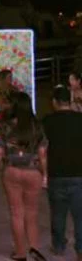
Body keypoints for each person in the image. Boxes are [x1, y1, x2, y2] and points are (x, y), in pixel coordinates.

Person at [0, 92, 48, 261]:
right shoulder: (37, 126)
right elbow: (42, 153)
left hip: (12, 170)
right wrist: (45, 174)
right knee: (32, 213)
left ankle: (20, 253)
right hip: (33, 171)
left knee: (16, 213)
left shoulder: (5, 126)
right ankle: (34, 249)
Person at [42, 85, 82, 258]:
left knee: (58, 213)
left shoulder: (47, 121)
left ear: (55, 102)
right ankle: (81, 248)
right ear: (70, 100)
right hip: (79, 172)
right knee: (80, 215)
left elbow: (43, 147)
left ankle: (58, 245)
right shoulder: (80, 119)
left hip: (56, 173)